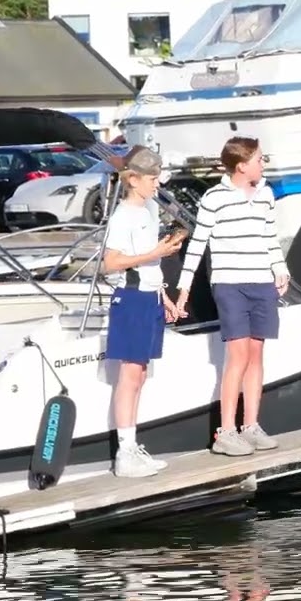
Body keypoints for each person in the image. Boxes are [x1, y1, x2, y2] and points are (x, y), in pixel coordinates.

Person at [175, 136, 291, 457]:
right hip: (230, 284)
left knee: (256, 354)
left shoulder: (266, 194)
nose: (263, 164)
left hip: (261, 282)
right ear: (242, 165)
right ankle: (226, 432)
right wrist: (183, 288)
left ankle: (250, 425)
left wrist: (280, 269)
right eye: (259, 159)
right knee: (237, 355)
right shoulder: (214, 198)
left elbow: (270, 238)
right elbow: (198, 243)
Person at [100, 146, 187, 478]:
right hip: (132, 298)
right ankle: (125, 453)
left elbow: (150, 262)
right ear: (133, 179)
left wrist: (163, 294)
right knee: (130, 375)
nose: (157, 184)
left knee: (139, 375)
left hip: (149, 296)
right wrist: (156, 251)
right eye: (152, 178)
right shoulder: (123, 216)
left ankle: (132, 447)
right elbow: (110, 264)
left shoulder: (150, 208)